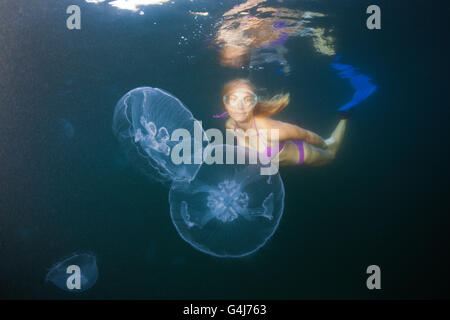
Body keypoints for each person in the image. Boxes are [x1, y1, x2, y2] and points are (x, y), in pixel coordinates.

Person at [216, 79, 348, 167]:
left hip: (302, 155)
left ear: (254, 104)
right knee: (288, 132)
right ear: (225, 104)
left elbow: (307, 136)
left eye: (247, 99)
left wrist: (325, 144)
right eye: (233, 99)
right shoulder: (230, 125)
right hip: (279, 152)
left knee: (331, 155)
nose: (240, 106)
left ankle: (344, 117)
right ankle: (293, 128)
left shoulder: (268, 130)